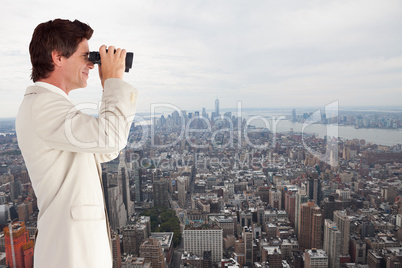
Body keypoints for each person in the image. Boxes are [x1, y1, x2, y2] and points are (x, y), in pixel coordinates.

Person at [16, 19, 137, 267]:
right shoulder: (43, 105)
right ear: (58, 57)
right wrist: (114, 82)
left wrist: (109, 85)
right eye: (86, 56)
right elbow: (112, 136)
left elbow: (109, 148)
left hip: (75, 250)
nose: (92, 64)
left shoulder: (53, 106)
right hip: (69, 253)